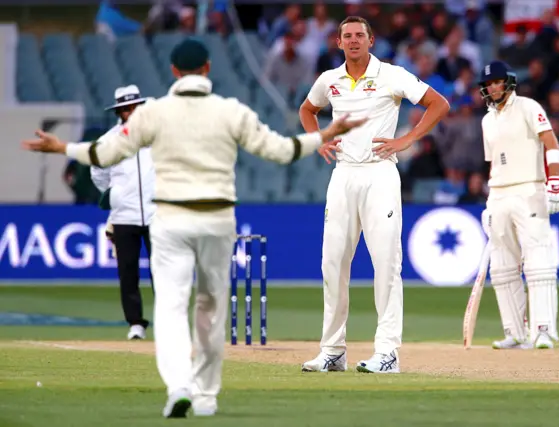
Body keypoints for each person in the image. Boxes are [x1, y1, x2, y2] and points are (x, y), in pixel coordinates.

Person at [21, 38, 366, 418]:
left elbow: (103, 154)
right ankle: (206, 395)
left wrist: (62, 148)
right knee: (211, 309)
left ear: (173, 72)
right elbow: (281, 150)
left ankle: (178, 387)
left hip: (170, 220)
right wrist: (324, 134)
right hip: (217, 220)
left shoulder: (152, 114)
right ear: (206, 69)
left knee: (170, 307)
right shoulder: (229, 110)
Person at [298, 16, 450, 374]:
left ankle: (388, 353)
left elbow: (438, 104)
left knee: (385, 264)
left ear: (371, 40)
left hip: (380, 174)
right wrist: (317, 138)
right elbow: (308, 109)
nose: (353, 41)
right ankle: (333, 350)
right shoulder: (329, 80)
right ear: (338, 43)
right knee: (332, 263)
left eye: (359, 36)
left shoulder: (392, 75)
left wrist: (406, 140)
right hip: (343, 175)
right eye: (347, 36)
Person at [478, 61, 559, 351]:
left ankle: (543, 331)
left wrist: (554, 182)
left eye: (498, 82)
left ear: (508, 82)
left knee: (538, 263)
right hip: (499, 195)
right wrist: (489, 203)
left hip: (530, 189)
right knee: (502, 268)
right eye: (489, 83)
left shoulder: (528, 107)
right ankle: (515, 332)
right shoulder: (487, 120)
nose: (493, 87)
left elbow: (552, 145)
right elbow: (495, 164)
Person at [91, 85, 156, 341]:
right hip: (124, 216)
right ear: (119, 111)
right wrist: (116, 193)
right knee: (127, 271)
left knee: (162, 272)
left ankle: (168, 323)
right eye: (125, 109)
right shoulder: (109, 140)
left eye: (133, 107)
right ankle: (136, 324)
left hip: (156, 213)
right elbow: (98, 172)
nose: (130, 112)